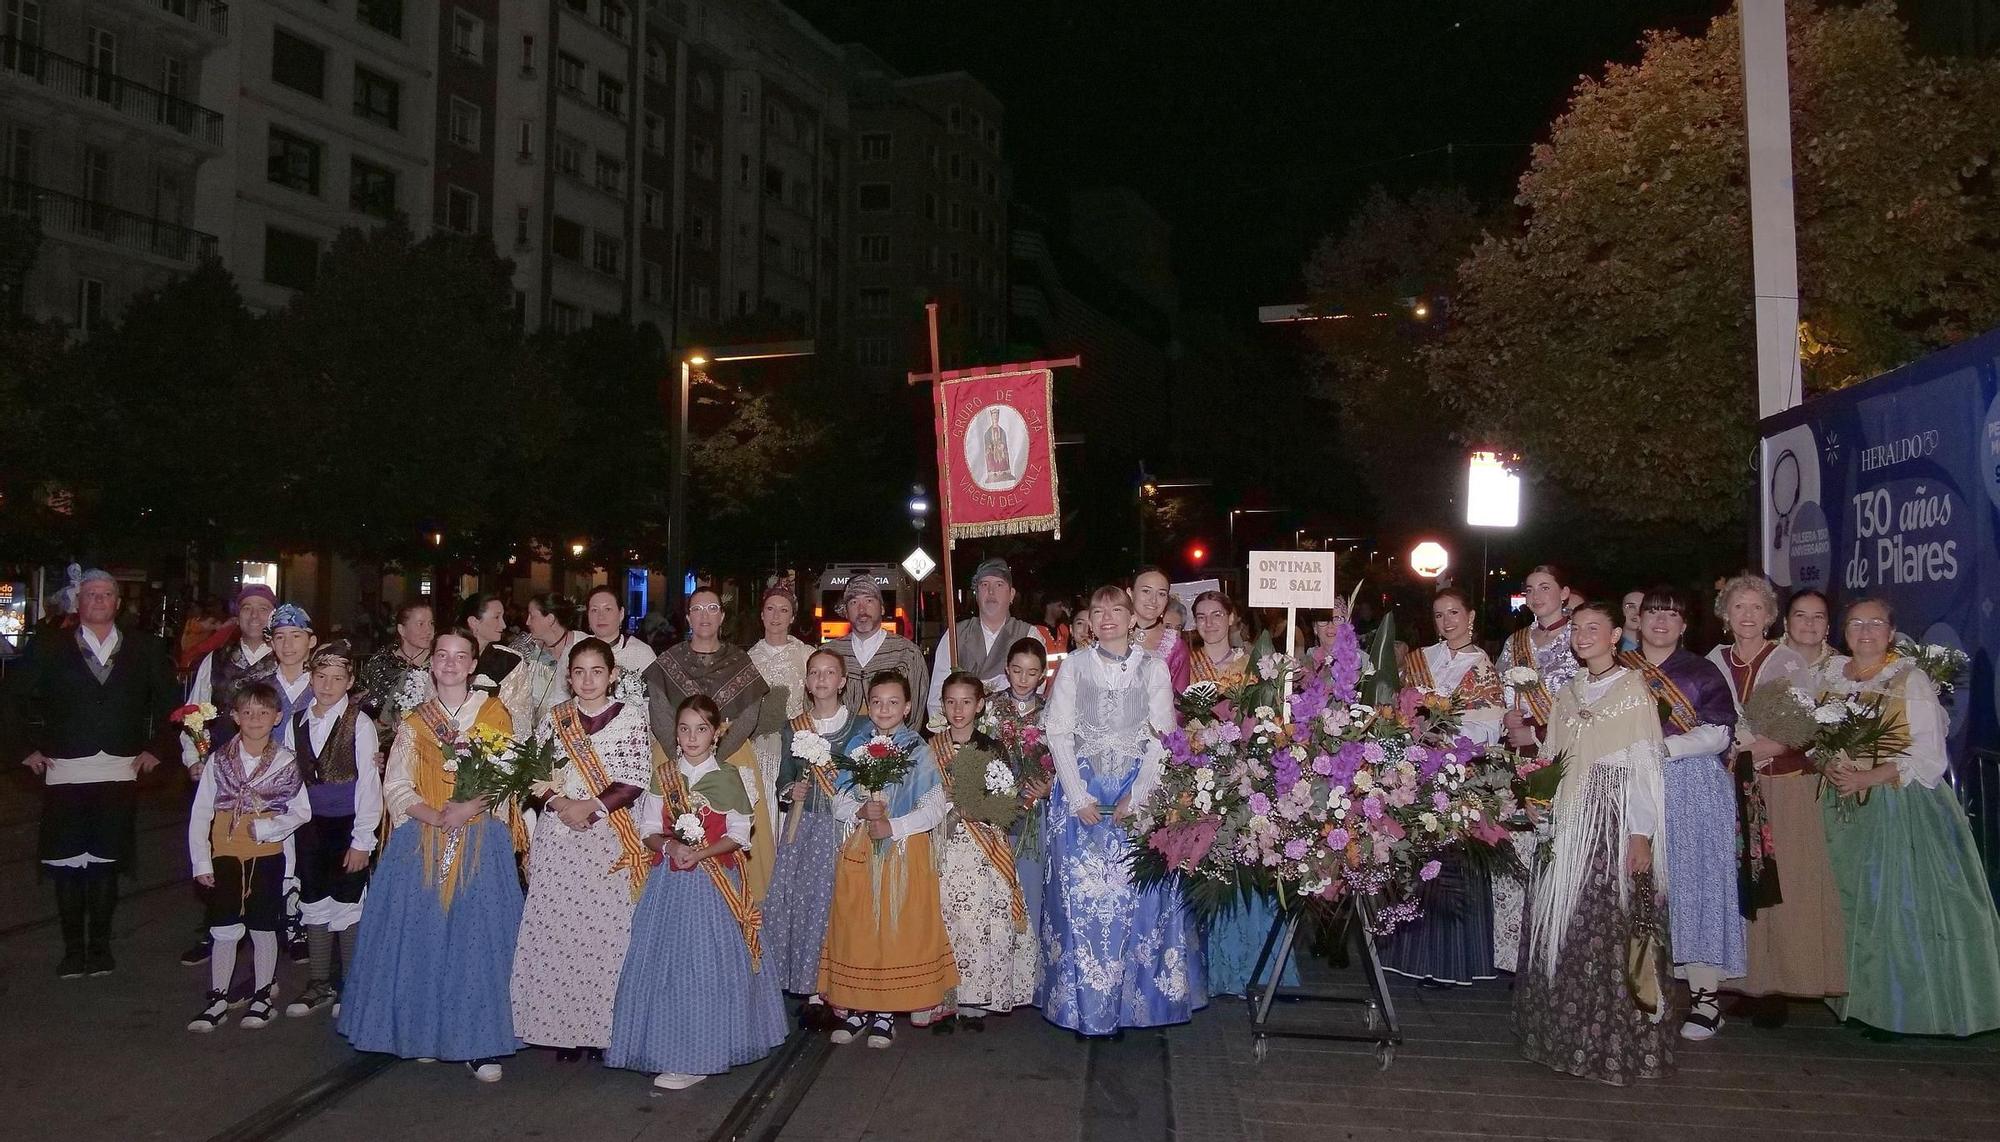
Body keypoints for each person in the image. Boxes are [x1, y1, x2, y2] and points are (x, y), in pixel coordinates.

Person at [1805, 598, 2000, 1039]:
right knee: (1852, 904)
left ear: (1891, 632)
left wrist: (1870, 776)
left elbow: (1929, 754)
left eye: (1876, 623)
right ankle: (1856, 998)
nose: (1866, 631)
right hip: (1843, 804)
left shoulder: (1909, 680)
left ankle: (1901, 1009)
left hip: (1901, 805)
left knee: (1897, 904)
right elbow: (1814, 738)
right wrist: (1831, 764)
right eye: (1856, 623)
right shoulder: (1830, 676)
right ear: (1844, 632)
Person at [338, 630, 525, 1082]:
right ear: (432, 663)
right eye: (442, 655)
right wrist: (434, 815)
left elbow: (508, 774)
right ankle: (422, 1031)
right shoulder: (413, 721)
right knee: (421, 938)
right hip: (423, 836)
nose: (450, 663)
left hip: (479, 836)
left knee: (475, 942)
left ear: (473, 664)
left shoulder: (494, 713)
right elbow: (398, 784)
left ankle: (478, 1042)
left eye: (460, 656)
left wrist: (468, 808)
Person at [1510, 600, 1672, 1085]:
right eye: (1577, 628)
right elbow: (1551, 757)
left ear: (1616, 634)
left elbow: (1645, 768)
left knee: (1605, 924)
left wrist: (1640, 833)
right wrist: (1538, 798)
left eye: (1593, 628)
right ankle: (1558, 1035)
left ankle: (1609, 1045)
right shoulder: (1566, 692)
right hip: (1567, 819)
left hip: (1609, 817)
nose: (1583, 635)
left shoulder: (1633, 690)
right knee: (1558, 920)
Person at [1039, 584, 1205, 1037]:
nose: (1108, 616)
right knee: (1083, 905)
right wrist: (1077, 796)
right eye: (1098, 610)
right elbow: (1058, 732)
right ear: (1088, 621)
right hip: (1083, 796)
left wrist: (1141, 794)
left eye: (1117, 609)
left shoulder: (1152, 669)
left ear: (1134, 619)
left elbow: (1161, 736)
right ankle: (1084, 1009)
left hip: (1135, 794)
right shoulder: (1074, 666)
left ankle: (1135, 1007)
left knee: (1138, 900)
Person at [3, 570, 178, 978]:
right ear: (78, 603)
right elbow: (10, 698)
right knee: (67, 864)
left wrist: (157, 748)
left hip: (119, 770)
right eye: (91, 594)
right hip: (64, 769)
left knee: (104, 863)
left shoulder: (144, 648)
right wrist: (23, 750)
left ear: (119, 603)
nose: (99, 600)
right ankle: (72, 950)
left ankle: (99, 948)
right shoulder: (48, 646)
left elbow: (172, 703)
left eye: (107, 594)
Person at [609, 694, 788, 1089]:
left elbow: (741, 835)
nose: (692, 737)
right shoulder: (665, 773)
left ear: (716, 733)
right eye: (684, 729)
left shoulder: (728, 777)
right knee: (666, 966)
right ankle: (669, 1046)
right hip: (670, 880)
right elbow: (648, 829)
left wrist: (702, 851)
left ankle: (699, 1054)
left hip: (714, 882)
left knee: (704, 967)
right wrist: (671, 847)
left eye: (701, 729)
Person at [1706, 575, 1840, 1027]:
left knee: (1782, 882)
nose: (1747, 615)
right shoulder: (1713, 661)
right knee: (1736, 880)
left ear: (1769, 617)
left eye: (1756, 608)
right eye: (1738, 607)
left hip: (1779, 785)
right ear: (1726, 616)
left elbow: (1801, 725)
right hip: (1727, 784)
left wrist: (1758, 748)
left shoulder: (1785, 662)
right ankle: (1743, 979)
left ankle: (1779, 983)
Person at [511, 637, 653, 1061]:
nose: (588, 680)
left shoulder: (630, 720)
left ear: (612, 675)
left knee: (605, 936)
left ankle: (602, 1029)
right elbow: (532, 774)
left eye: (597, 671)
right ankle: (561, 1026)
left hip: (609, 837)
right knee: (559, 932)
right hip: (559, 836)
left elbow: (634, 778)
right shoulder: (556, 719)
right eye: (579, 672)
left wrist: (591, 806)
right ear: (569, 678)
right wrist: (559, 804)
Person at [1623, 587, 1743, 1040]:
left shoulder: (1701, 670)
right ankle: (1640, 987)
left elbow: (1718, 732)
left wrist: (1660, 748)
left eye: (1672, 614)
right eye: (1653, 611)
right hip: (1629, 786)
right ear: (1638, 620)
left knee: (1697, 885)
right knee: (1636, 885)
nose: (1660, 621)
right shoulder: (1617, 669)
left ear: (1685, 625)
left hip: (1690, 785)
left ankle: (1706, 998)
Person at [819, 672, 958, 1047]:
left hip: (902, 851)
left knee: (894, 930)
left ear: (908, 707)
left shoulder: (918, 750)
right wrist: (862, 811)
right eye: (877, 701)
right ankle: (858, 1008)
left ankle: (885, 1014)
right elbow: (837, 802)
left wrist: (894, 826)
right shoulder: (855, 746)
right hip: (860, 848)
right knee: (858, 928)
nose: (884, 709)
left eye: (893, 702)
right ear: (868, 705)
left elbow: (933, 810)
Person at [1379, 587, 1506, 989]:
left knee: (1451, 864)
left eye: (1454, 612)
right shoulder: (1420, 659)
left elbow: (1489, 726)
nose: (1447, 621)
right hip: (1416, 769)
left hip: (1459, 771)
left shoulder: (1483, 667)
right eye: (1439, 614)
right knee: (1413, 854)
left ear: (1470, 616)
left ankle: (1449, 960)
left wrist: (1440, 723)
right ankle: (1405, 952)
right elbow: (1399, 708)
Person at [185, 681, 311, 1031]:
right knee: (224, 925)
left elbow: (301, 811)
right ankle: (218, 997)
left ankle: (262, 995)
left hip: (267, 854)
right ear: (235, 716)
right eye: (248, 712)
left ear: (277, 717)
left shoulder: (285, 763)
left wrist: (270, 829)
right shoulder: (219, 760)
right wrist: (201, 861)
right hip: (225, 853)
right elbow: (201, 813)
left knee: (263, 924)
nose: (255, 719)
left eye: (263, 712)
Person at [642, 589, 773, 902]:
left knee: (731, 832)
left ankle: (738, 901)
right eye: (697, 609)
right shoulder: (669, 661)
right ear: (688, 617)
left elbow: (748, 715)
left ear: (722, 616)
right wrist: (685, 750)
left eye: (712, 608)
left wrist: (714, 754)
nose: (704, 615)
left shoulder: (740, 661)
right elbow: (659, 712)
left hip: (731, 753)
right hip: (675, 752)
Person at [932, 671, 1039, 1026]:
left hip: (982, 848)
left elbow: (1005, 798)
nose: (958, 710)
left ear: (980, 706)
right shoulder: (931, 747)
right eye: (950, 702)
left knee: (978, 922)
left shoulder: (991, 747)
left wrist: (972, 806)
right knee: (945, 920)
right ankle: (943, 998)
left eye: (966, 702)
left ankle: (977, 996)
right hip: (942, 846)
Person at [1491, 564, 1582, 973]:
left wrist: (1536, 733)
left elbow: (1582, 702)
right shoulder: (1515, 642)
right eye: (1531, 589)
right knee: (1515, 848)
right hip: (1516, 753)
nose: (1538, 595)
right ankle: (1513, 956)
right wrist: (1507, 725)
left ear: (1564, 592)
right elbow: (1497, 692)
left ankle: (1553, 950)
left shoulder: (1578, 638)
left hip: (1559, 751)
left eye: (1547, 587)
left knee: (1554, 846)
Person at [284, 641, 380, 1019]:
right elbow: (292, 777)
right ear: (310, 678)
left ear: (350, 682)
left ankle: (351, 984)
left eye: (337, 678)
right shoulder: (297, 722)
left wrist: (362, 839)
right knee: (315, 902)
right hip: (310, 826)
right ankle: (318, 982)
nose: (327, 685)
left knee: (348, 903)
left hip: (347, 826)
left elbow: (369, 784)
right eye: (321, 677)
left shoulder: (360, 722)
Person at [764, 648, 859, 1025]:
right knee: (803, 902)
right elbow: (783, 774)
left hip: (841, 829)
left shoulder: (859, 726)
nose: (821, 679)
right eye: (814, 673)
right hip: (804, 829)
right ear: (806, 681)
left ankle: (840, 980)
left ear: (842, 681)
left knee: (838, 903)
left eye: (829, 672)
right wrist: (790, 790)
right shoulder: (795, 725)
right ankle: (809, 982)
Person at [988, 638, 1055, 928]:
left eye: (1031, 672)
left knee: (1031, 886)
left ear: (1043, 674)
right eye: (1017, 670)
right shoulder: (989, 708)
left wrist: (1051, 786)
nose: (1023, 679)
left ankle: (1031, 960)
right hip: (994, 810)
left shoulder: (1051, 710)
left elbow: (1065, 759)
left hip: (1034, 811)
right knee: (995, 884)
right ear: (1006, 670)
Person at [925, 559, 1044, 719]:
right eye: (984, 585)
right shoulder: (955, 634)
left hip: (1012, 728)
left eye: (999, 585)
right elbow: (938, 692)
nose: (991, 591)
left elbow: (1037, 691)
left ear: (1012, 594)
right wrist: (945, 732)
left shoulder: (1029, 634)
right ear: (976, 594)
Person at [749, 586, 812, 814]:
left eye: (783, 610)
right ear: (762, 614)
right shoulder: (748, 659)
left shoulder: (806, 655)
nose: (776, 616)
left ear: (792, 617)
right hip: (759, 748)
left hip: (795, 746)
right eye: (770, 609)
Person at [825, 576, 927, 713]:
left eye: (869, 601)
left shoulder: (907, 654)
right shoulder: (829, 654)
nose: (862, 610)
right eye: (854, 602)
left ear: (882, 609)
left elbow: (916, 710)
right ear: (846, 612)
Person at [459, 593, 552, 737]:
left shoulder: (511, 662)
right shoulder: (447, 660)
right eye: (496, 617)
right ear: (474, 622)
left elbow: (522, 720)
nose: (503, 625)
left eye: (503, 617)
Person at [358, 600, 434, 731]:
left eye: (431, 623)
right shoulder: (381, 662)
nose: (428, 630)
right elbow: (363, 704)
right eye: (420, 624)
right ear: (402, 630)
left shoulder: (439, 661)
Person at [584, 584, 656, 702]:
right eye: (594, 610)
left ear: (621, 613)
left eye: (608, 609)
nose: (601, 616)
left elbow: (656, 701)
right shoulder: (577, 650)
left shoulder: (642, 653)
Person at [264, 605, 318, 749]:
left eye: (296, 636)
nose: (287, 644)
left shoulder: (323, 688)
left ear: (311, 641)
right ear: (273, 644)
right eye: (280, 637)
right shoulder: (260, 689)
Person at [1129, 567, 1191, 692]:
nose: (1153, 600)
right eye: (1146, 591)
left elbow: (1179, 702)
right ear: (1130, 593)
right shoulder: (1111, 635)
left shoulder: (1175, 645)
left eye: (1161, 594)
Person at [522, 593, 587, 706]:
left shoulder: (584, 645)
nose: (527, 622)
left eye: (532, 616)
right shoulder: (528, 646)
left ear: (551, 619)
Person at [1186, 591, 1249, 689]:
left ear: (1231, 618)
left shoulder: (1248, 665)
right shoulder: (1185, 664)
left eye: (1217, 615)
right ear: (1195, 622)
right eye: (1201, 617)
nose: (1209, 623)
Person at [1781, 588, 1834, 671]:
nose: (1809, 622)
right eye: (1800, 615)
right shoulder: (1762, 657)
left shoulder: (1843, 668)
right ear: (1785, 623)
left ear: (1827, 627)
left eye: (1818, 616)